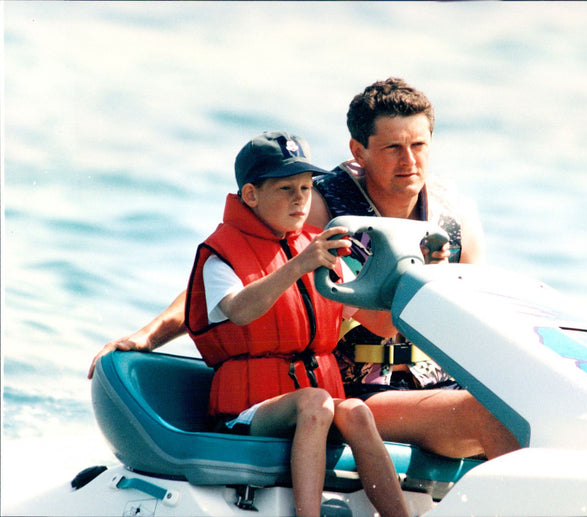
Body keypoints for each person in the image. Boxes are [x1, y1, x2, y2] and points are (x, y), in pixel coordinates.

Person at [89, 78, 520, 460]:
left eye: (419, 145)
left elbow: (473, 315)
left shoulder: (455, 215)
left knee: (527, 410)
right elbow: (235, 274)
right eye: (392, 147)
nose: (409, 160)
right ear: (359, 150)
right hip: (356, 393)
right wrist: (148, 336)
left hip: (438, 386)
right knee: (491, 417)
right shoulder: (318, 207)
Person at [179, 131, 408, 517]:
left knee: (356, 411)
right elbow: (240, 311)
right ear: (250, 195)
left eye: (306, 187)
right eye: (287, 188)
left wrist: (412, 273)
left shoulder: (319, 248)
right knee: (317, 402)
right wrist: (300, 265)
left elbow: (376, 320)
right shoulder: (221, 257)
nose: (301, 198)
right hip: (246, 413)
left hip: (308, 402)